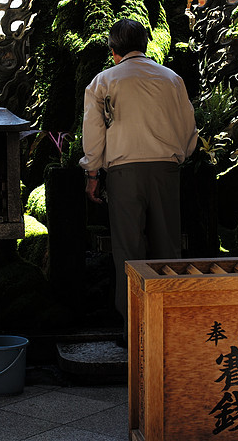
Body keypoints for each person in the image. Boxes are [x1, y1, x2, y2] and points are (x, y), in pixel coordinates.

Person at [80, 18, 198, 329]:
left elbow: (93, 135)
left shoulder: (103, 82)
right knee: (168, 248)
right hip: (165, 169)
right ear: (144, 44)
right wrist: (178, 157)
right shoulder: (172, 79)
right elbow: (188, 128)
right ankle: (170, 322)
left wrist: (93, 174)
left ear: (113, 50)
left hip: (123, 172)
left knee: (129, 251)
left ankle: (133, 325)